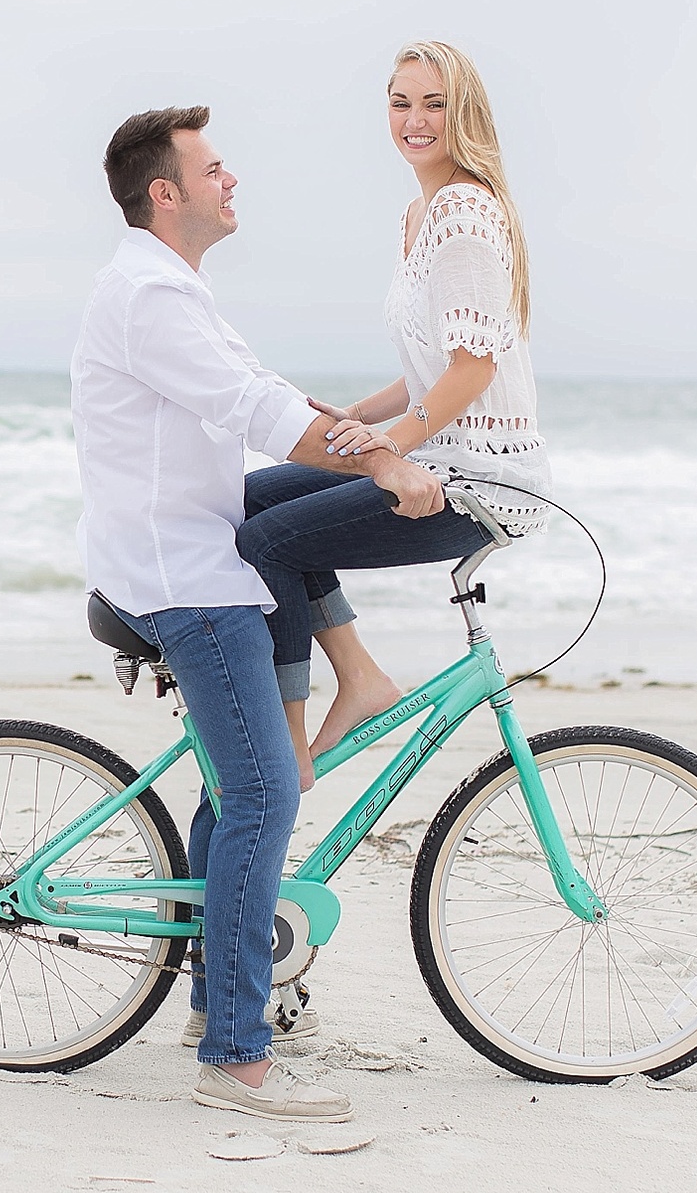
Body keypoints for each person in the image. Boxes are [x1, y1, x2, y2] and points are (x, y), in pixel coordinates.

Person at [72, 105, 443, 1123]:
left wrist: (377, 425)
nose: (230, 180)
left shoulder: (173, 289)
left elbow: (264, 390)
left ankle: (209, 1005)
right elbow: (265, 418)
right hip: (181, 575)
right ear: (166, 192)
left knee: (237, 781)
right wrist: (390, 465)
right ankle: (234, 1054)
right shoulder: (148, 294)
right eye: (214, 167)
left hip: (193, 547)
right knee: (262, 796)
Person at [235, 41, 552, 784]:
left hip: (482, 481)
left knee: (270, 543)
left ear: (463, 112)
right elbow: (431, 369)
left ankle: (288, 744)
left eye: (434, 103)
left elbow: (474, 368)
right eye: (401, 101)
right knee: (252, 496)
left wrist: (392, 440)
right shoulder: (421, 212)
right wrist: (354, 417)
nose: (415, 119)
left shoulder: (465, 213)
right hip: (437, 453)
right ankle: (362, 678)